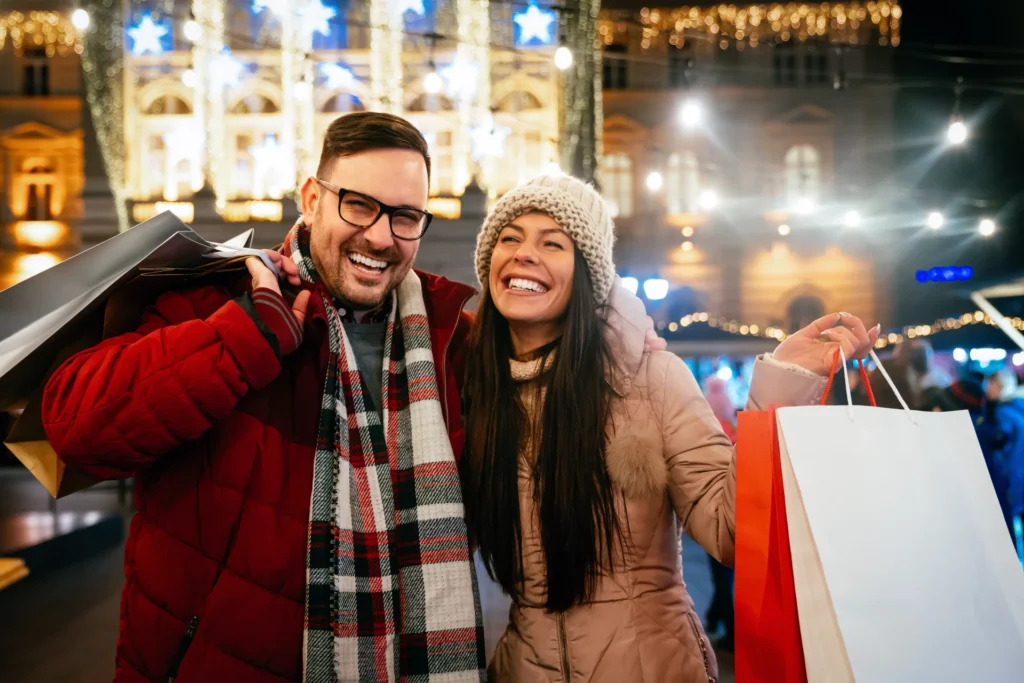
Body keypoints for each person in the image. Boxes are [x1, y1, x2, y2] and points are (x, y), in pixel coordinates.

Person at [39, 113, 659, 683]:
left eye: (406, 216)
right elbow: (74, 425)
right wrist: (243, 337)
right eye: (359, 205)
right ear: (312, 199)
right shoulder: (218, 301)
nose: (381, 236)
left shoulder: (454, 343)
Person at [460, 174, 880, 682]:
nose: (524, 254)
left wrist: (781, 384)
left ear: (589, 274)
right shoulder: (472, 388)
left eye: (552, 243)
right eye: (509, 238)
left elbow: (732, 533)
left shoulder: (651, 378)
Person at [702, 376, 737, 650]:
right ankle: (715, 618)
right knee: (726, 574)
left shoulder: (705, 428)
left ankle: (730, 628)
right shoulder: (734, 428)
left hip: (713, 506)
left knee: (720, 573)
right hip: (738, 505)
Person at [984, 368, 1024, 549]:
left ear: (999, 385)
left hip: (1012, 476)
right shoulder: (1020, 405)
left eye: (990, 385)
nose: (987, 389)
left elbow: (1002, 442)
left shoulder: (1002, 412)